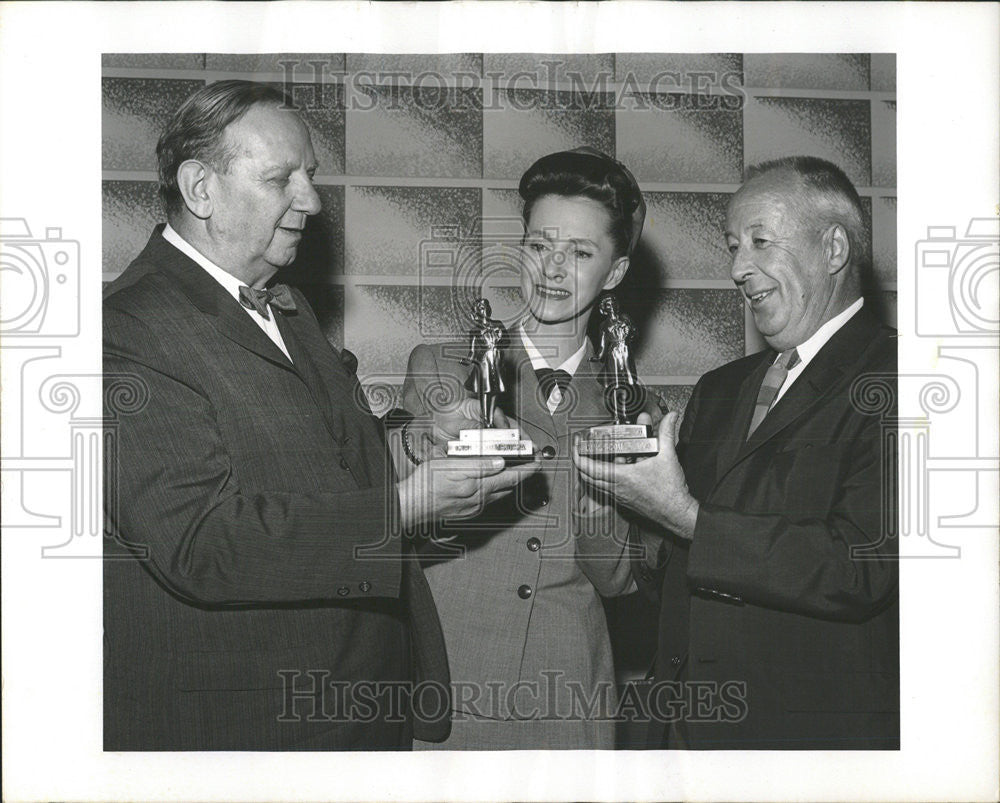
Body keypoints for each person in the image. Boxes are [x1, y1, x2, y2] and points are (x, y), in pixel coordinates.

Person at [102, 80, 535, 751]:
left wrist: (416, 443)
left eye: (310, 175)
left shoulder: (286, 304)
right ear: (200, 189)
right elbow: (202, 543)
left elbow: (324, 461)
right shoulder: (127, 328)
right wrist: (405, 508)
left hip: (355, 706)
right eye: (282, 179)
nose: (312, 200)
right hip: (253, 729)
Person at [574, 156, 899, 749]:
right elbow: (673, 571)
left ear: (832, 248)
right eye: (731, 246)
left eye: (759, 242)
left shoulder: (906, 380)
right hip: (681, 733)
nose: (737, 267)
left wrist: (682, 515)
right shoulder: (719, 390)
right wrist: (617, 506)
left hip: (805, 747)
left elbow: (861, 569)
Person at [399, 147, 656, 749]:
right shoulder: (443, 369)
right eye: (540, 246)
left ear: (614, 272)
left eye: (581, 253)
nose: (553, 270)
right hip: (452, 683)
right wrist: (423, 448)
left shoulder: (635, 409)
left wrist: (602, 489)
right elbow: (407, 527)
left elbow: (618, 582)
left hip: (569, 691)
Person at [463, 298, 508, 426]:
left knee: (495, 391)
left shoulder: (498, 325)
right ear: (475, 313)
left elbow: (507, 343)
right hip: (483, 363)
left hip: (497, 361)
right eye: (479, 308)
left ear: (488, 309)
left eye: (483, 307)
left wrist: (499, 338)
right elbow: (471, 351)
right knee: (485, 391)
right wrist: (466, 361)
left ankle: (491, 420)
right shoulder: (475, 331)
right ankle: (485, 419)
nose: (482, 309)